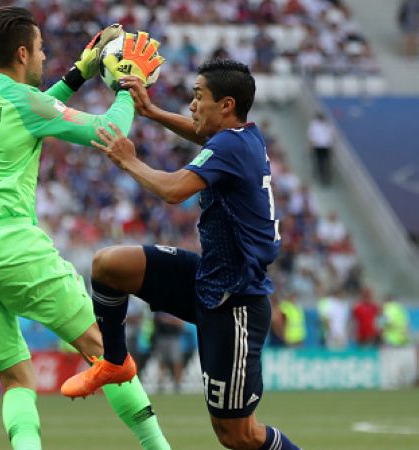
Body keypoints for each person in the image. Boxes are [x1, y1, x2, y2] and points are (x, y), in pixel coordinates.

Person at [0, 6, 169, 450]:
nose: (45, 59)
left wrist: (79, 74)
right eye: (42, 50)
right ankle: (159, 448)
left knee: (15, 377)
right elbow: (106, 131)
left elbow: (37, 111)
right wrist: (127, 87)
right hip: (10, 246)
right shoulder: (28, 103)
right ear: (23, 53)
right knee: (106, 350)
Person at [64, 60, 303, 449]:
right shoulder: (243, 138)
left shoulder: (229, 145)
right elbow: (199, 134)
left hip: (236, 301)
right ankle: (114, 362)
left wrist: (129, 160)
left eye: (197, 97)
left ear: (226, 105)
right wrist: (151, 112)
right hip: (208, 279)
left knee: (239, 435)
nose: (191, 106)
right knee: (109, 266)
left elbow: (174, 190)